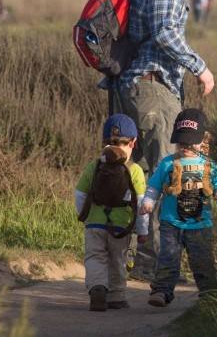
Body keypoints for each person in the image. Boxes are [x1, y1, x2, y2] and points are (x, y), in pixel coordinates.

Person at [115, 0, 217, 258]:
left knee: (135, 179)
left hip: (132, 85)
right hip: (153, 88)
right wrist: (200, 67)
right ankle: (158, 265)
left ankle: (121, 256)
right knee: (167, 178)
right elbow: (164, 33)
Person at [141, 108, 217, 306]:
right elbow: (154, 186)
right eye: (181, 142)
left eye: (190, 142)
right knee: (168, 257)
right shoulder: (167, 164)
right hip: (171, 223)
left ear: (202, 140)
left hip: (199, 225)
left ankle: (210, 294)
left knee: (202, 260)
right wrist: (148, 201)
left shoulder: (209, 165)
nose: (185, 147)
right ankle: (162, 292)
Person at [74, 113, 149, 311]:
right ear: (133, 142)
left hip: (95, 224)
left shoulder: (95, 166)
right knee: (118, 259)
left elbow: (80, 193)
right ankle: (116, 296)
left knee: (95, 257)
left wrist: (84, 215)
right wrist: (142, 231)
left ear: (103, 142)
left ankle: (98, 287)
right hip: (120, 227)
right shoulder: (135, 170)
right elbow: (141, 204)